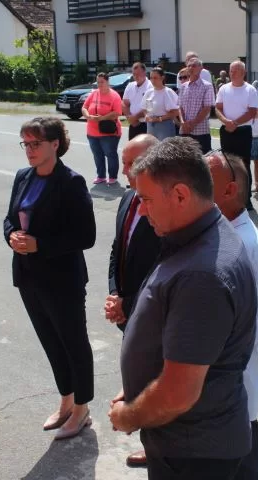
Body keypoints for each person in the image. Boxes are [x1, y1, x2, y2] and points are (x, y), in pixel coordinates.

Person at [109, 137, 257, 480]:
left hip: (192, 453)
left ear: (180, 195)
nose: (141, 210)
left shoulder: (201, 275)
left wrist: (128, 415)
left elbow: (178, 393)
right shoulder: (198, 234)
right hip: (191, 442)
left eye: (146, 200)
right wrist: (138, 386)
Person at [3, 117, 97, 440]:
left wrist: (39, 245)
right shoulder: (23, 176)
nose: (29, 150)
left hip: (62, 279)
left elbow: (86, 235)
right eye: (25, 144)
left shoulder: (71, 182)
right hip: (28, 276)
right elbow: (9, 218)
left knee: (74, 342)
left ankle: (82, 408)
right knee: (51, 341)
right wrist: (11, 236)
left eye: (36, 144)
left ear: (55, 144)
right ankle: (66, 400)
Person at [206, 151, 258, 480]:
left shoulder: (239, 245)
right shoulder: (231, 234)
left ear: (230, 191)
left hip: (231, 387)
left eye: (203, 182)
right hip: (232, 387)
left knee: (238, 464)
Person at [105, 134, 162, 468]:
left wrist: (128, 303)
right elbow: (118, 249)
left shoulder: (165, 207)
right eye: (123, 162)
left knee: (156, 382)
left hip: (152, 315)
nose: (124, 170)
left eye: (131, 164)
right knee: (138, 377)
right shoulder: (128, 198)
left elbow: (162, 268)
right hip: (126, 309)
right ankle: (151, 445)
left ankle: (159, 450)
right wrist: (115, 293)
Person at [216, 60, 258, 210]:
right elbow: (218, 108)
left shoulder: (250, 90)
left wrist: (235, 123)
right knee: (228, 165)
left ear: (243, 73)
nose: (232, 73)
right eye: (231, 71)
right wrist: (226, 121)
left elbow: (252, 111)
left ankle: (246, 199)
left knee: (243, 165)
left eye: (236, 71)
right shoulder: (223, 89)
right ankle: (228, 198)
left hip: (243, 131)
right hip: (227, 131)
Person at [82, 72, 122, 185]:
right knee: (97, 155)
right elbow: (84, 107)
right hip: (92, 131)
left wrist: (102, 118)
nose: (99, 84)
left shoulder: (114, 95)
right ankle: (101, 176)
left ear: (108, 82)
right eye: (98, 82)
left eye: (102, 82)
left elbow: (117, 113)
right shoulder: (93, 93)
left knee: (110, 154)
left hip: (108, 132)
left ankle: (113, 176)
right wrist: (88, 116)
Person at [178, 57, 215, 154]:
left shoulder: (207, 86)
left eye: (194, 66)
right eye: (189, 66)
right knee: (184, 159)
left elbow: (207, 108)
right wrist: (183, 122)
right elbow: (180, 107)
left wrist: (193, 124)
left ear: (201, 68)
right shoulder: (183, 87)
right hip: (184, 131)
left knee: (203, 160)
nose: (191, 68)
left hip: (201, 132)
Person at [141, 67, 180, 141]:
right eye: (151, 78)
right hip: (151, 125)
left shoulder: (168, 92)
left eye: (155, 78)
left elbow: (176, 112)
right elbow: (144, 108)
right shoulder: (149, 92)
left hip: (164, 125)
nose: (153, 80)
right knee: (152, 146)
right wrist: (146, 115)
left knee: (164, 146)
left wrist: (160, 119)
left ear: (162, 78)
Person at [123, 62, 152, 140]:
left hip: (146, 124)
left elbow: (149, 107)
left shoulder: (150, 86)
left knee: (147, 147)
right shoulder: (130, 86)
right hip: (133, 124)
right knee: (132, 147)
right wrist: (129, 117)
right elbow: (125, 104)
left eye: (138, 74)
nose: (136, 76)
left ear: (144, 72)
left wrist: (135, 117)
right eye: (134, 74)